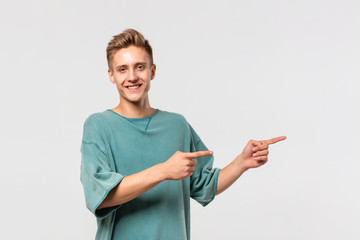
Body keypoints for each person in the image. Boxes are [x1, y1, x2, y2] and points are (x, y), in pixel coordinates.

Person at [80, 29, 286, 240]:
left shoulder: (177, 125)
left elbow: (204, 186)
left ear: (152, 71)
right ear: (111, 76)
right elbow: (102, 196)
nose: (132, 77)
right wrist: (164, 171)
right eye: (122, 69)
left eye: (139, 67)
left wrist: (242, 162)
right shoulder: (98, 126)